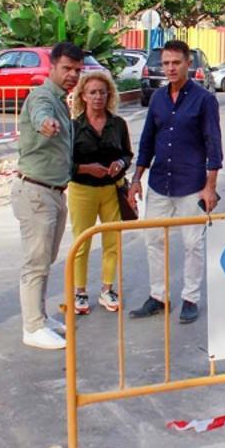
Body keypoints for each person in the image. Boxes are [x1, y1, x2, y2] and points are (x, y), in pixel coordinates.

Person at [128, 40, 222, 324]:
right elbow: (147, 142)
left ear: (188, 64)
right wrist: (136, 180)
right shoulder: (157, 98)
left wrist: (210, 187)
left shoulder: (204, 100)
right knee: (153, 240)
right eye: (166, 63)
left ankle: (190, 298)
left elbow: (213, 146)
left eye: (176, 63)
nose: (170, 68)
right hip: (159, 183)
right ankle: (158, 296)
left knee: (193, 244)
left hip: (191, 185)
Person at [11, 42, 84, 350]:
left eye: (77, 71)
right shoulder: (43, 97)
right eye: (67, 69)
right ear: (52, 67)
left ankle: (39, 317)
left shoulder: (59, 99)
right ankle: (32, 327)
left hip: (53, 191)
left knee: (46, 260)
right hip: (36, 191)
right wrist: (46, 124)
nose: (72, 75)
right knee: (36, 262)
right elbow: (41, 115)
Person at [68, 70, 134, 315]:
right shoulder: (73, 127)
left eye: (102, 92)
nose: (97, 97)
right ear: (83, 96)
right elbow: (64, 163)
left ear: (109, 95)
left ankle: (107, 289)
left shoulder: (118, 124)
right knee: (82, 242)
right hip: (82, 190)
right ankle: (80, 292)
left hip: (111, 189)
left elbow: (128, 154)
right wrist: (87, 168)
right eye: (92, 92)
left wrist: (121, 164)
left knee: (112, 241)